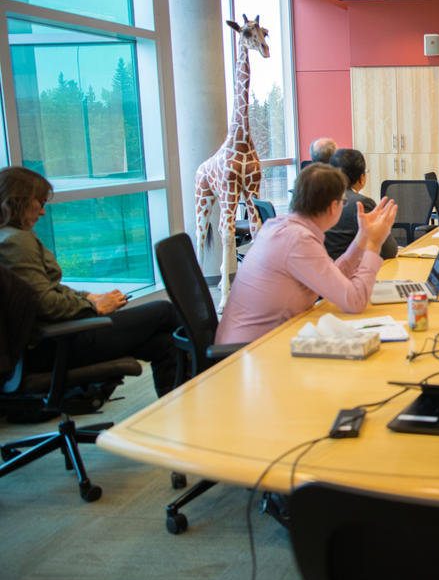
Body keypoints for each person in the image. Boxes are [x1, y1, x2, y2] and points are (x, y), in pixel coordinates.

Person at [0, 166, 181, 396]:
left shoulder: (8, 236)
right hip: (56, 343)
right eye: (41, 202)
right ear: (20, 201)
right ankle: (217, 362)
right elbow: (44, 303)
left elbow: (40, 289)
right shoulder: (16, 242)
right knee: (164, 311)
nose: (44, 212)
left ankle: (180, 408)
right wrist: (94, 306)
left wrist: (85, 296)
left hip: (49, 340)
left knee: (164, 343)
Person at [216, 163, 397, 344]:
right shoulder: (297, 241)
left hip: (264, 342)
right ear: (334, 207)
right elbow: (355, 301)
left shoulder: (281, 227)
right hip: (250, 353)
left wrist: (363, 238)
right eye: (343, 202)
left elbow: (332, 277)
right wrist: (374, 244)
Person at [324, 148, 397, 262]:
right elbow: (388, 251)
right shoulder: (361, 204)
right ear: (361, 177)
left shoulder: (318, 201)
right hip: (351, 272)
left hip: (320, 272)